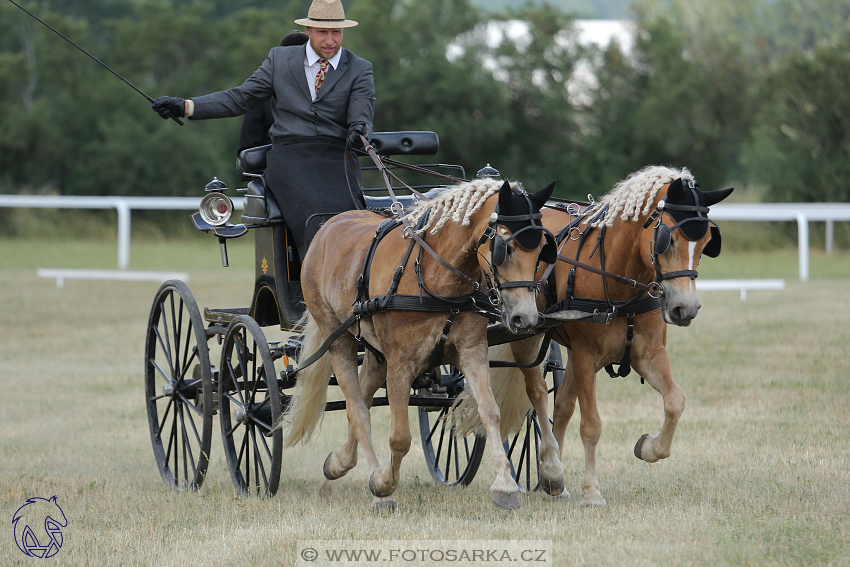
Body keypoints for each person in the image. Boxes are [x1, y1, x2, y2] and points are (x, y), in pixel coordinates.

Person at [152, 0, 375, 260]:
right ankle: (317, 280)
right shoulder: (279, 59)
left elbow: (362, 115)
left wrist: (359, 130)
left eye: (335, 33)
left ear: (343, 32)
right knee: (317, 217)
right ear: (308, 30)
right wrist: (186, 106)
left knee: (353, 223)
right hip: (290, 157)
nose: (330, 41)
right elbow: (240, 98)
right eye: (322, 33)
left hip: (337, 158)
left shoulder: (359, 68)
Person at [237, 31, 309, 155]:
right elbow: (247, 151)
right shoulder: (261, 97)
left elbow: (247, 146)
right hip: (276, 167)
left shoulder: (260, 96)